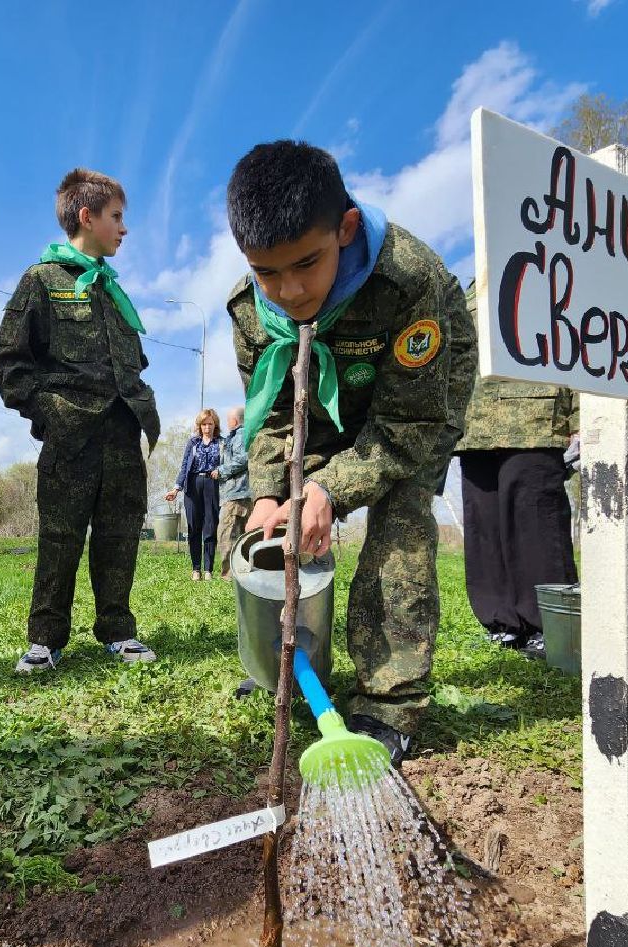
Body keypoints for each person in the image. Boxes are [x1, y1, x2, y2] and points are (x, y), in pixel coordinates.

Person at [225, 140, 476, 766]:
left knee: (400, 518)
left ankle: (389, 702)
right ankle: (279, 665)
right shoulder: (251, 310)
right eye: (266, 272)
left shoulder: (410, 282)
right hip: (321, 400)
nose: (287, 290)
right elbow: (275, 413)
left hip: (413, 400)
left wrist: (329, 489)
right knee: (278, 529)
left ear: (346, 228)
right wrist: (268, 493)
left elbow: (409, 422)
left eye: (306, 264)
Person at [0, 168, 160, 674]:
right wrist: (52, 413)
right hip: (71, 435)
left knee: (120, 532)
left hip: (122, 431)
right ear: (86, 217)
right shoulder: (41, 280)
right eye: (116, 217)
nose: (124, 229)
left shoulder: (111, 290)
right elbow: (9, 363)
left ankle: (118, 631)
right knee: (60, 536)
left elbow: (131, 362)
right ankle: (45, 639)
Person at [454, 282, 578, 660]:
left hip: (535, 421)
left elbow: (581, 343)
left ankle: (550, 627)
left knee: (535, 527)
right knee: (484, 530)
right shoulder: (466, 292)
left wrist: (580, 416)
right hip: (474, 425)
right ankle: (502, 624)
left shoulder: (556, 279)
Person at [164, 409, 223, 580]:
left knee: (210, 527)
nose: (207, 427)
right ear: (199, 426)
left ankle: (208, 570)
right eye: (204, 424)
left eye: (210, 424)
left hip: (212, 484)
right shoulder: (192, 443)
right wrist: (176, 489)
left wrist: (221, 470)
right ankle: (196, 569)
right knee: (194, 527)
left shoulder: (221, 443)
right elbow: (184, 466)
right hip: (192, 485)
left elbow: (227, 463)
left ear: (215, 425)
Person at [215, 405, 253, 579]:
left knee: (226, 535)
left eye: (228, 419)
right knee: (244, 536)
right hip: (242, 493)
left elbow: (242, 458)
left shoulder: (240, 435)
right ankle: (245, 574)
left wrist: (221, 470)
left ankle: (229, 575)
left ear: (234, 420)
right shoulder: (243, 435)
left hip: (237, 493)